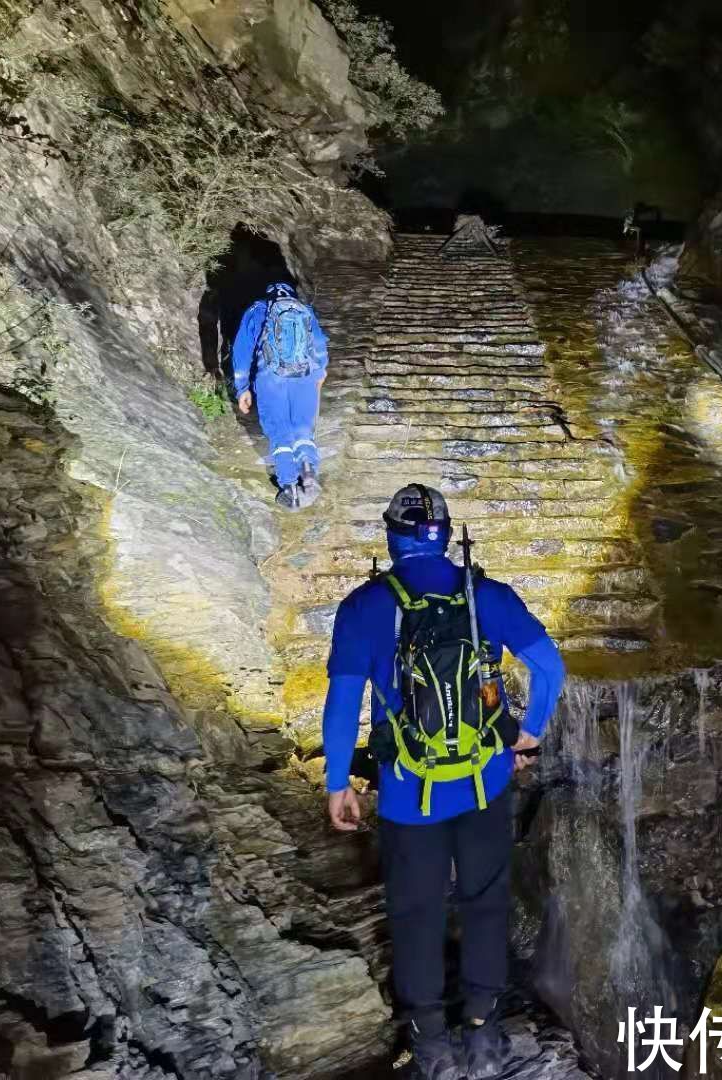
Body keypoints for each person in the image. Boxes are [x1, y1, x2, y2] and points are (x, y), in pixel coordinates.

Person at [321, 483, 567, 1080]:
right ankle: (484, 1033)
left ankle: (430, 1046)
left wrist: (338, 782)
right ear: (446, 534)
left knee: (416, 913)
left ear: (391, 536)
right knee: (485, 903)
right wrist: (527, 734)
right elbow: (549, 666)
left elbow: (343, 700)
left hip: (408, 792)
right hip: (484, 782)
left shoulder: (364, 606)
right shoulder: (486, 596)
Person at [231, 281, 329, 510]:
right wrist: (321, 370)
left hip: (271, 377)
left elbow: (242, 351)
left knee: (279, 430)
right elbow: (320, 343)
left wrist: (242, 388)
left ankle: (290, 489)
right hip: (305, 376)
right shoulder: (304, 310)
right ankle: (307, 469)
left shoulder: (257, 310)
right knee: (303, 428)